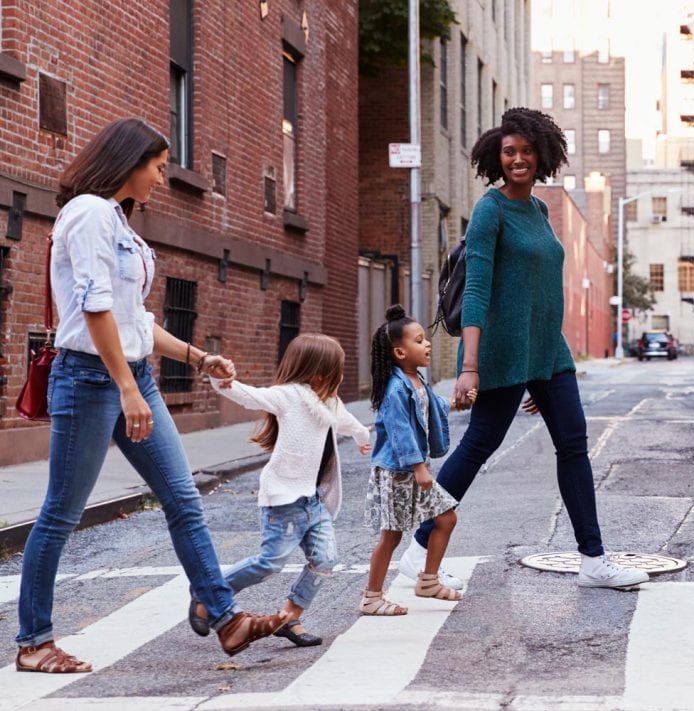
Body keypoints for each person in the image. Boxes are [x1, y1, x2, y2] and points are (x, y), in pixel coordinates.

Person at [16, 118, 284, 672]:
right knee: (61, 513)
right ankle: (34, 643)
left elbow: (132, 318)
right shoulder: (89, 213)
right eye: (159, 167)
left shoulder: (117, 221)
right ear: (130, 161)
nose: (162, 178)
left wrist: (196, 357)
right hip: (93, 380)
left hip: (128, 375)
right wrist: (125, 388)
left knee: (183, 499)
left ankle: (228, 619)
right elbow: (93, 308)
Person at [398, 108, 650, 591]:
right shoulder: (491, 211)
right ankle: (418, 548)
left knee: (574, 443)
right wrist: (469, 367)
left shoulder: (537, 209)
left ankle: (593, 559)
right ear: (498, 157)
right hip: (501, 352)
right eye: (509, 152)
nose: (518, 159)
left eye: (526, 151)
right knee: (479, 445)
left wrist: (542, 368)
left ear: (542, 155)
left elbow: (539, 290)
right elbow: (476, 292)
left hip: (546, 353)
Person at [187, 334, 372, 646]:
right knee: (270, 562)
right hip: (283, 500)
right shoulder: (289, 396)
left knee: (325, 559)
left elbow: (347, 421)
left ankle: (289, 617)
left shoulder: (330, 402)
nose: (341, 377)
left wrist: (361, 437)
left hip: (312, 502)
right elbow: (249, 396)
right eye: (337, 370)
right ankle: (209, 592)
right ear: (319, 373)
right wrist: (221, 381)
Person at [361, 305, 472, 615]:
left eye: (425, 339)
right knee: (392, 536)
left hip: (414, 470)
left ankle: (428, 580)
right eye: (419, 340)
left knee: (446, 518)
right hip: (398, 472)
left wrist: (453, 403)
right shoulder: (395, 388)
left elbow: (430, 406)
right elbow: (400, 433)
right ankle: (372, 597)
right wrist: (420, 468)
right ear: (399, 352)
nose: (427, 344)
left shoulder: (418, 380)